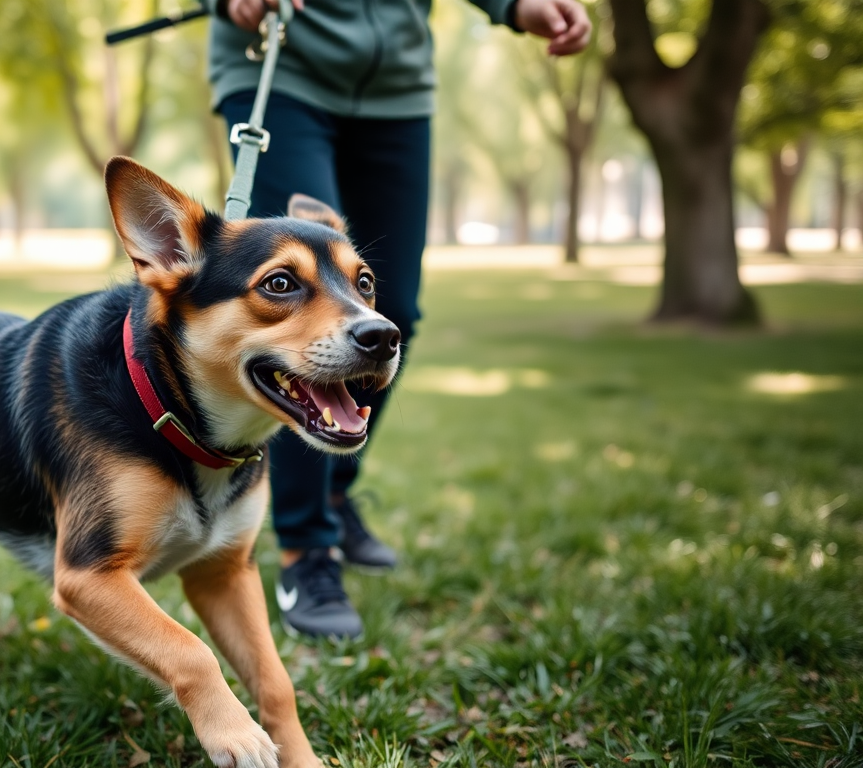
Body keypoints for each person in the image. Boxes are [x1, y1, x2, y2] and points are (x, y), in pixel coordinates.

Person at [210, 0, 591, 638]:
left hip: (397, 93)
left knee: (389, 317)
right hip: (281, 63)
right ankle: (307, 549)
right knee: (304, 325)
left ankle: (333, 486)